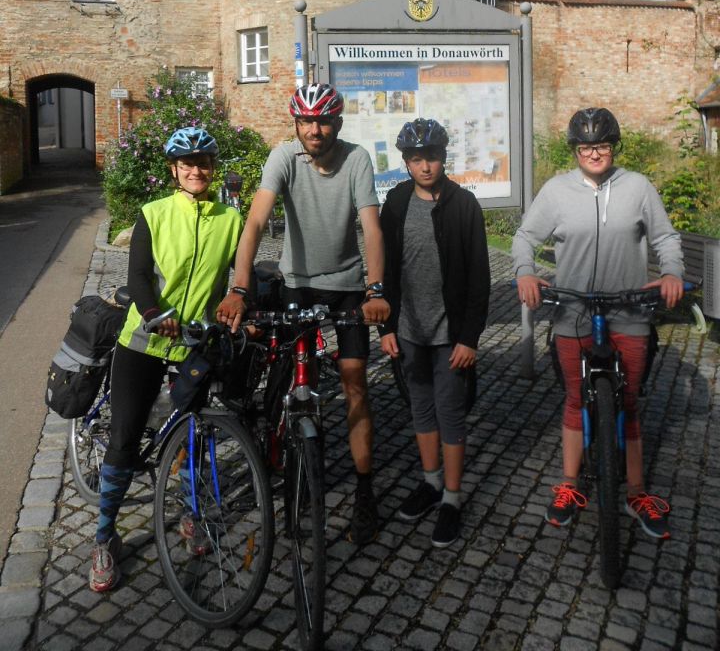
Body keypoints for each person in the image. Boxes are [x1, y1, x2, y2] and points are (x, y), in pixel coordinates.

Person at [217, 83, 391, 545]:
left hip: (350, 286)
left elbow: (371, 226)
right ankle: (290, 460)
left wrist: (375, 289)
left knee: (355, 381)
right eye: (307, 121)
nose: (316, 129)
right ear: (296, 123)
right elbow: (255, 221)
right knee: (299, 380)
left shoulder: (355, 159)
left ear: (338, 121)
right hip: (298, 282)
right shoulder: (283, 157)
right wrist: (239, 288)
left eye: (324, 120)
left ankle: (365, 491)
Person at [512, 107, 684, 539]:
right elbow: (524, 237)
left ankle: (637, 490)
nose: (594, 153)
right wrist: (525, 271)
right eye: (586, 147)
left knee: (627, 402)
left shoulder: (638, 187)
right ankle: (570, 484)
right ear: (575, 150)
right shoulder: (556, 191)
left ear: (613, 148)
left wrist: (672, 272)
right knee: (574, 398)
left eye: (602, 146)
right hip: (573, 312)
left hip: (629, 310)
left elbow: (665, 236)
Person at [89, 127, 243, 592]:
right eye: (187, 164)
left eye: (204, 163)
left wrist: (240, 307)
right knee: (125, 437)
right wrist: (156, 313)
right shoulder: (153, 214)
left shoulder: (231, 220)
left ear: (212, 169)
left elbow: (237, 280)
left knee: (198, 434)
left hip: (195, 343)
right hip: (145, 339)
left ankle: (192, 513)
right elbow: (137, 277)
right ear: (174, 171)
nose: (197, 170)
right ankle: (103, 538)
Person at [379, 118, 490, 548]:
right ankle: (429, 481)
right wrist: (386, 327)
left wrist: (470, 338)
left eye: (433, 157)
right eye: (416, 159)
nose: (425, 166)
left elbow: (480, 278)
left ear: (445, 157)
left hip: (450, 334)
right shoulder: (396, 201)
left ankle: (452, 497)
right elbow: (387, 269)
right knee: (420, 408)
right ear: (406, 163)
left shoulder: (463, 205)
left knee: (451, 413)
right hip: (409, 329)